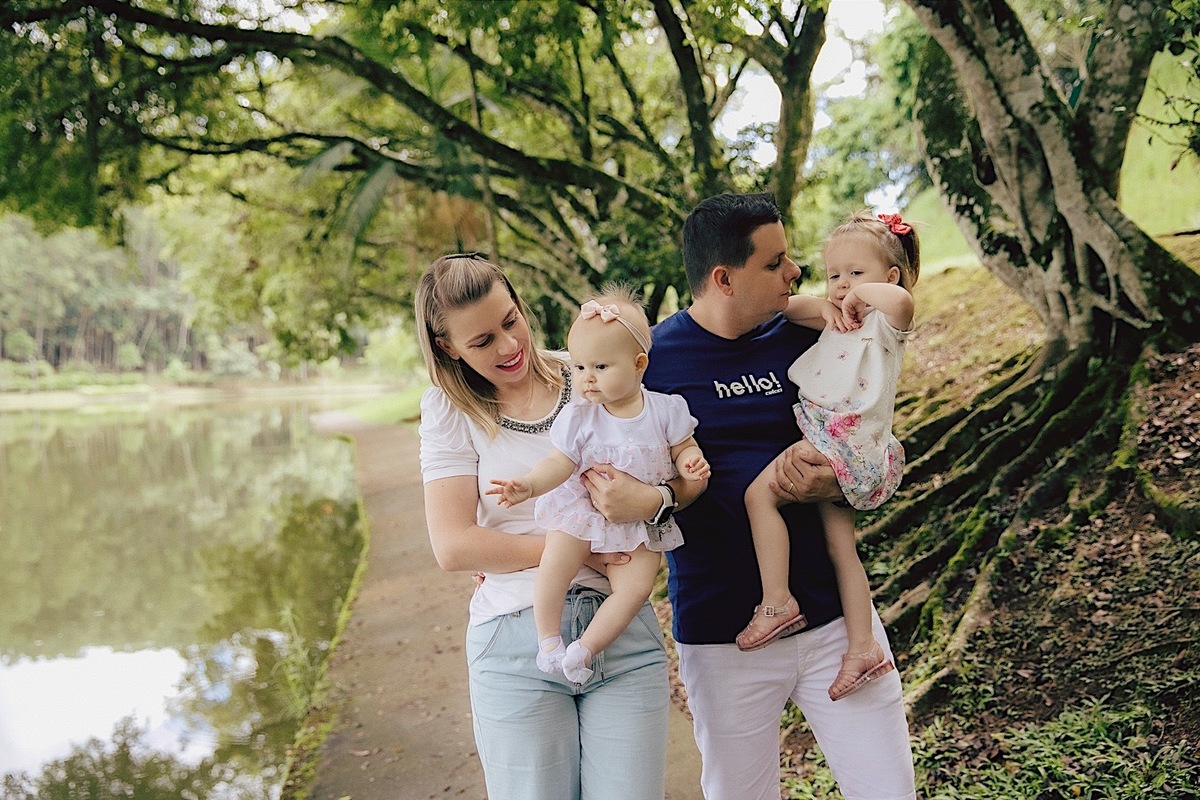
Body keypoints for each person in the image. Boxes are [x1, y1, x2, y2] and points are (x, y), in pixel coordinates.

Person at [641, 194, 917, 800]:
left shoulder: (805, 334)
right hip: (725, 636)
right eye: (775, 263)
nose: (794, 272)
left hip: (838, 626)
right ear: (723, 278)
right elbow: (598, 466)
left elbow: (874, 439)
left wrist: (838, 481)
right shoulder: (651, 362)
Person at [415, 254, 674, 800]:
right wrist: (577, 552)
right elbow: (455, 545)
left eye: (511, 321)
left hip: (622, 633)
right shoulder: (448, 411)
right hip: (514, 642)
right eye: (482, 341)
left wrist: (651, 501)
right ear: (448, 347)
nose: (508, 347)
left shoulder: (592, 370)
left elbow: (668, 464)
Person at [737, 211, 919, 704]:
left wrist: (863, 297)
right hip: (845, 451)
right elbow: (789, 309)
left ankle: (777, 602)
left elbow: (903, 302)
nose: (843, 285)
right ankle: (862, 649)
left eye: (856, 273)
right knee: (843, 551)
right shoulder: (841, 317)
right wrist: (826, 304)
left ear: (889, 276)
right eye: (834, 274)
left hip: (838, 446)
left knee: (759, 497)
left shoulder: (885, 323)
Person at [488, 284, 710, 684]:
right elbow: (560, 463)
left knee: (637, 585)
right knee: (557, 559)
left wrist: (689, 460)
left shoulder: (665, 409)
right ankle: (549, 638)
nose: (586, 379)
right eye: (579, 367)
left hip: (639, 520)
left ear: (639, 364)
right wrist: (529, 485)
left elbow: (684, 446)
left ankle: (585, 649)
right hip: (584, 509)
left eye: (600, 367)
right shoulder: (581, 416)